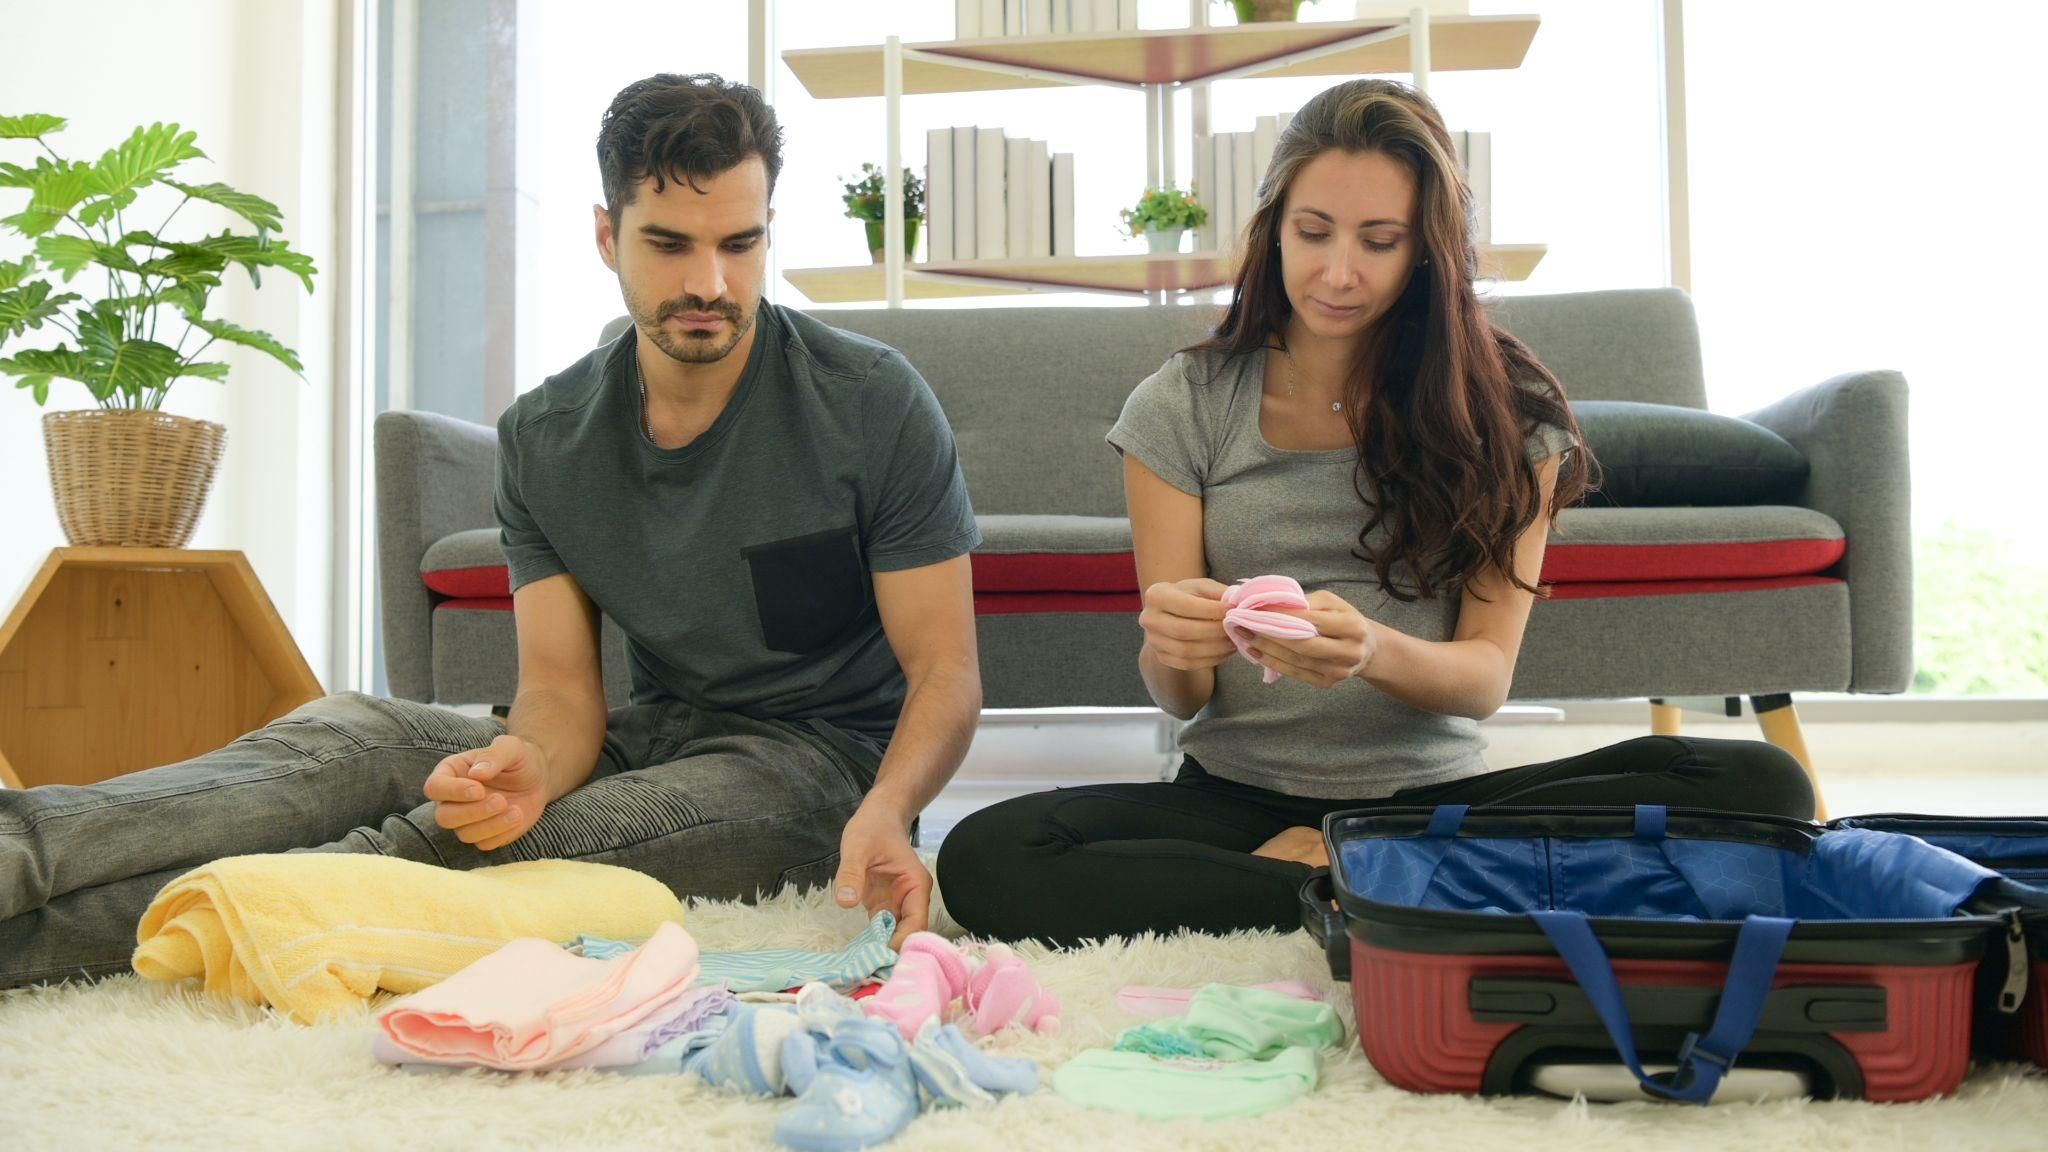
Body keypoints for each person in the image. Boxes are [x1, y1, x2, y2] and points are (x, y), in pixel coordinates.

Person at [0, 73, 982, 987]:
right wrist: (531, 764)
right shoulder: (547, 437)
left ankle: (47, 946)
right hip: (645, 733)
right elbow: (557, 690)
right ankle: (21, 849)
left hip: (809, 772)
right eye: (669, 244)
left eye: (739, 244)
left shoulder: (870, 403)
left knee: (458, 844)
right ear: (608, 234)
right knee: (345, 742)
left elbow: (945, 673)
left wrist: (888, 809)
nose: (712, 285)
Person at [935, 79, 1813, 946]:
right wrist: (1171, 645)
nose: (1338, 273)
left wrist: (1372, 650)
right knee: (986, 855)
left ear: (1426, 250)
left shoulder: (1508, 411)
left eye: (1379, 241)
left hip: (1435, 805)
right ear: (1274, 226)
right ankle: (1356, 882)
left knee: (1759, 785)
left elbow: (1483, 680)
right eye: (1312, 232)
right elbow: (1182, 695)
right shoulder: (1185, 403)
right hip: (1233, 798)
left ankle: (1339, 872)